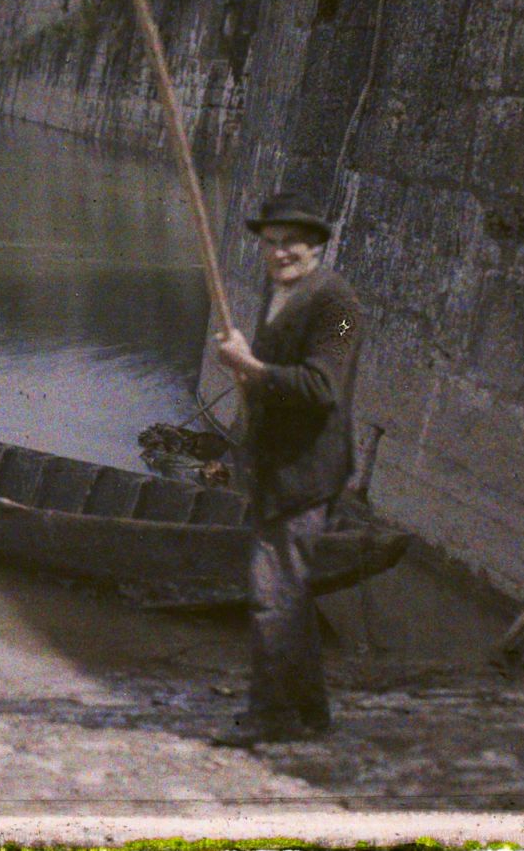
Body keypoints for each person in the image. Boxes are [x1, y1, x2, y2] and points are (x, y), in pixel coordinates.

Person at [209, 191, 362, 747]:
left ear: (316, 246)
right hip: (275, 467)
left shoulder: (339, 306)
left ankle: (272, 718)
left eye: (291, 243)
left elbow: (322, 386)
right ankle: (310, 712)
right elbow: (274, 379)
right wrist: (250, 365)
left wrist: (250, 366)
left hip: (306, 471)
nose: (279, 253)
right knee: (290, 596)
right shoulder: (280, 295)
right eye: (270, 243)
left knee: (274, 596)